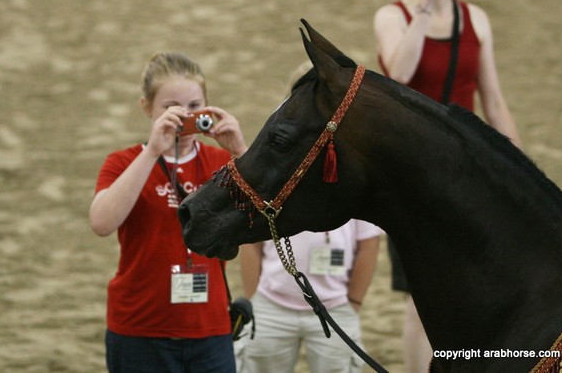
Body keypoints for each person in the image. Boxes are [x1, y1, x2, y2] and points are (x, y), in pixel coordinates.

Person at [373, 0, 522, 371]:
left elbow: (493, 101)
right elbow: (398, 74)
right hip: (412, 174)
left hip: (467, 171)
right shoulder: (393, 16)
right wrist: (424, 7)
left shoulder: (475, 19)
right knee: (423, 297)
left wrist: (522, 171)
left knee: (473, 288)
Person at [89, 52, 248, 372]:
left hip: (210, 327)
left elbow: (268, 221)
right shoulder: (124, 162)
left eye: (194, 106)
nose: (185, 117)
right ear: (147, 108)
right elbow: (102, 223)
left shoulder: (221, 163)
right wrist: (152, 152)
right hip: (140, 328)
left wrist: (241, 152)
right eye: (171, 107)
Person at [236, 220, 384, 373]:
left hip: (336, 307)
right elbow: (252, 242)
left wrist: (354, 302)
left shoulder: (354, 195)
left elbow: (369, 244)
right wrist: (253, 297)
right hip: (271, 303)